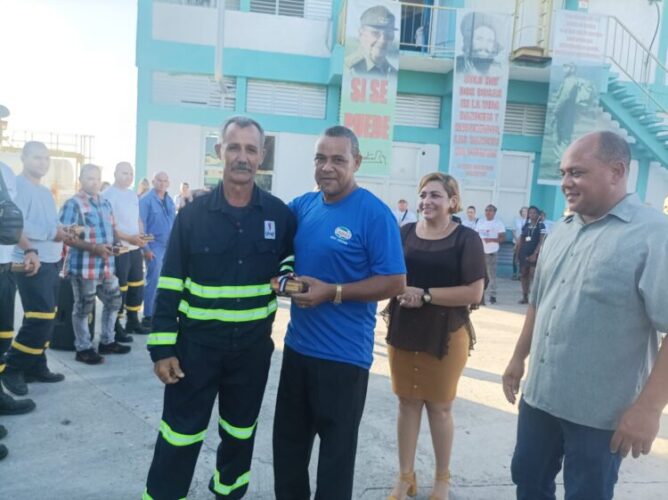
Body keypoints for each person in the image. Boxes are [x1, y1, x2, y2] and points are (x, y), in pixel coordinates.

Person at [502, 131, 668, 500]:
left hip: (600, 414)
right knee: (528, 483)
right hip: (540, 399)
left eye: (576, 172)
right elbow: (538, 302)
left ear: (616, 171)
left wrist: (649, 408)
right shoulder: (561, 230)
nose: (565, 182)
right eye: (563, 173)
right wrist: (517, 358)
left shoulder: (655, 235)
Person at [143, 116, 296, 499]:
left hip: (251, 352)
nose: (242, 157)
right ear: (219, 152)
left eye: (250, 149)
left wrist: (288, 275)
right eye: (234, 147)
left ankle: (229, 493)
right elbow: (169, 283)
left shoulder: (279, 215)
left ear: (261, 155)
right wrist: (162, 349)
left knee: (240, 434)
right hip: (195, 351)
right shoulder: (192, 215)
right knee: (179, 435)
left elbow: (290, 260)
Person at [272, 126, 406, 499]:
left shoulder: (374, 214)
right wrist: (282, 279)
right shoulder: (303, 206)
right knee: (288, 453)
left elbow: (395, 281)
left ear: (356, 162)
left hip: (344, 360)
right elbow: (277, 247)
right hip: (297, 351)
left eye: (337, 159)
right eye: (320, 158)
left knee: (335, 463)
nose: (326, 167)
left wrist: (333, 292)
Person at [385, 173, 485, 500]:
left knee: (440, 407)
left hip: (447, 333)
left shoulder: (466, 239)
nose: (427, 201)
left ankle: (442, 479)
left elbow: (474, 292)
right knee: (406, 402)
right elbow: (389, 275)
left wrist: (425, 295)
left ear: (452, 202)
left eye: (436, 196)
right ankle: (405, 476)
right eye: (423, 194)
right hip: (404, 328)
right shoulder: (404, 233)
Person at [1, 142, 68, 397]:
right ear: (23, 158)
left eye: (46, 158)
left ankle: (37, 365)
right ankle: (13, 368)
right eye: (37, 158)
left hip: (51, 261)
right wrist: (52, 233)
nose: (43, 163)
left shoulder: (45, 192)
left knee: (47, 316)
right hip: (30, 261)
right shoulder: (17, 186)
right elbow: (17, 224)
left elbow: (51, 223)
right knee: (40, 317)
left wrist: (63, 230)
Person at [60, 164, 130, 365]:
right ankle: (83, 349)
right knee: (83, 308)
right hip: (84, 268)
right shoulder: (73, 204)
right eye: (90, 178)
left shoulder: (105, 203)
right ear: (81, 179)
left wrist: (116, 245)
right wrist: (94, 248)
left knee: (114, 302)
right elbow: (66, 236)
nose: (95, 182)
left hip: (106, 266)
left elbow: (112, 230)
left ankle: (108, 342)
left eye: (97, 178)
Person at [0, 162, 37, 448]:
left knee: (2, 340)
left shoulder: (5, 171)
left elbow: (9, 221)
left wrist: (29, 248)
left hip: (4, 268)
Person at [102, 162, 149, 339]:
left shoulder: (132, 195)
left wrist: (141, 235)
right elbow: (109, 227)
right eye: (124, 173)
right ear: (115, 173)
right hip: (119, 249)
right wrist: (129, 238)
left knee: (136, 285)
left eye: (131, 173)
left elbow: (137, 219)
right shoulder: (107, 195)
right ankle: (115, 326)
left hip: (135, 248)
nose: (128, 176)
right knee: (120, 287)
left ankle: (133, 321)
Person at [139, 171, 175, 329]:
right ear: (153, 182)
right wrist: (146, 248)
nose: (162, 183)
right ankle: (148, 316)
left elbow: (174, 223)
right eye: (159, 180)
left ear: (168, 183)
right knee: (152, 281)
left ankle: (161, 314)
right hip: (154, 246)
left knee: (167, 283)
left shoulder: (169, 200)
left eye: (165, 181)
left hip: (169, 246)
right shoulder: (146, 200)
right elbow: (141, 225)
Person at [345, 5, 398, 76]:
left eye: (388, 35)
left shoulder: (393, 74)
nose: (382, 41)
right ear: (361, 34)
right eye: (375, 33)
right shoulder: (347, 68)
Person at [474, 204, 505, 305]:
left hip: (492, 251)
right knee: (480, 274)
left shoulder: (498, 223)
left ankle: (493, 295)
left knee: (491, 275)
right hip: (480, 251)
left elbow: (502, 238)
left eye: (490, 210)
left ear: (494, 212)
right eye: (486, 210)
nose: (488, 212)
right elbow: (475, 235)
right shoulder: (480, 222)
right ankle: (480, 295)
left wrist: (491, 239)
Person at [516, 206, 546, 305]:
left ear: (538, 214)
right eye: (530, 213)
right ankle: (525, 296)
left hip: (535, 254)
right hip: (524, 252)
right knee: (523, 274)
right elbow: (521, 239)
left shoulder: (541, 226)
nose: (532, 215)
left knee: (533, 275)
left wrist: (535, 253)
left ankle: (535, 298)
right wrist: (517, 253)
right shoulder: (526, 225)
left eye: (534, 213)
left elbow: (541, 241)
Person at [512, 206, 528, 280]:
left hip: (525, 243)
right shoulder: (516, 220)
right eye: (522, 211)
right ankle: (514, 273)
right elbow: (513, 231)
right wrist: (517, 240)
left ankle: (521, 274)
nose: (524, 213)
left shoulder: (529, 221)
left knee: (523, 259)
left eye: (525, 211)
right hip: (516, 242)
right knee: (515, 258)